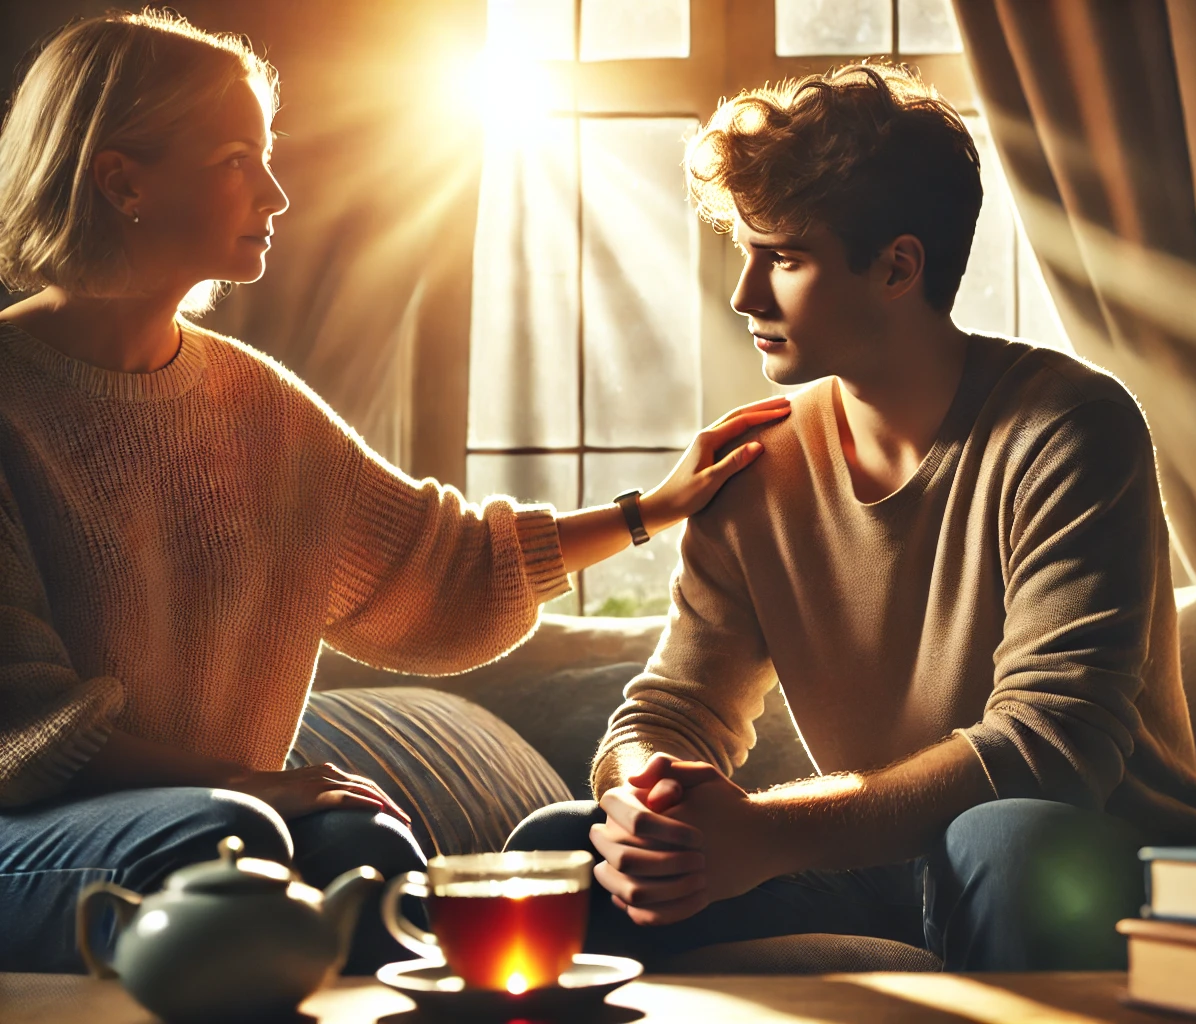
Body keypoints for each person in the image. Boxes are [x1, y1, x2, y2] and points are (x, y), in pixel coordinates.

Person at [0, 10, 786, 973]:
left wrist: (649, 512)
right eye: (237, 159)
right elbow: (26, 732)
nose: (277, 193)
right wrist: (252, 784)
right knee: (219, 847)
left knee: (371, 859)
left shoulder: (256, 405)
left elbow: (446, 568)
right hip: (41, 835)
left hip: (229, 810)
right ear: (122, 179)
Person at [506, 61, 1196, 971]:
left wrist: (763, 830)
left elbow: (1055, 749)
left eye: (785, 259)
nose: (745, 296)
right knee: (554, 854)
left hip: (1094, 864)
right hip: (877, 869)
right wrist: (649, 795)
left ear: (897, 266)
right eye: (748, 251)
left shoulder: (1070, 429)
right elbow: (675, 707)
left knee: (1011, 841)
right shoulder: (754, 467)